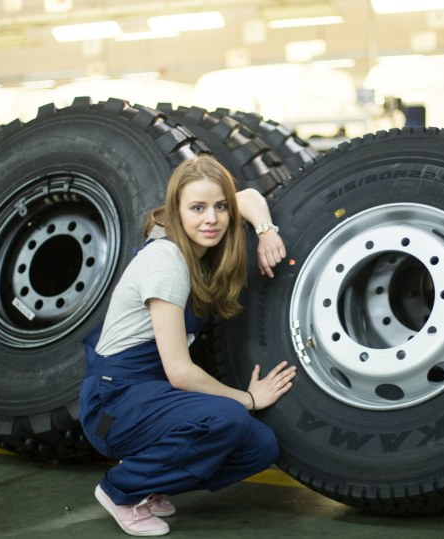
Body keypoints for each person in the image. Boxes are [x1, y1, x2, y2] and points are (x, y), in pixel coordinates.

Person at [79, 154, 296, 536]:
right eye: (197, 208)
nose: (211, 218)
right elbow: (180, 373)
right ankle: (121, 490)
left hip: (152, 395)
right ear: (176, 213)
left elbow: (245, 196)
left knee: (260, 445)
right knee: (228, 417)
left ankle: (153, 485)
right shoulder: (167, 261)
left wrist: (266, 231)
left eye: (219, 207)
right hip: (112, 402)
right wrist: (247, 398)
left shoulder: (198, 248)